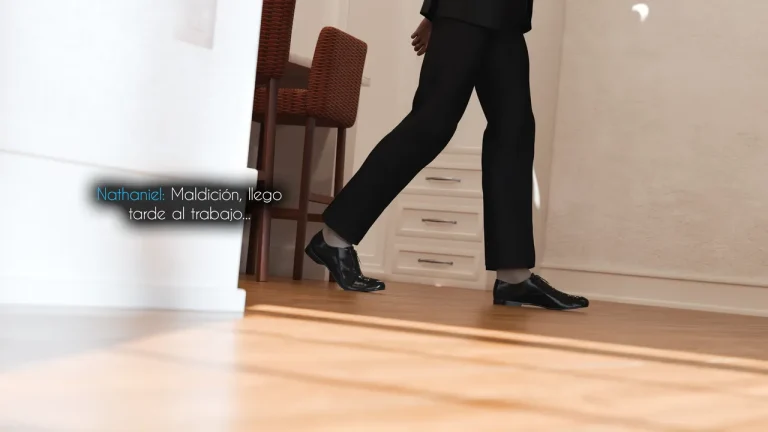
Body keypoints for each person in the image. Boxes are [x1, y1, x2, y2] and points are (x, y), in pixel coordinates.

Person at [303, 0, 589, 310]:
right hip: (466, 9)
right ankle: (335, 236)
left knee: (515, 132)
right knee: (431, 124)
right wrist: (433, 11)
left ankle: (514, 275)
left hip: (507, 14)